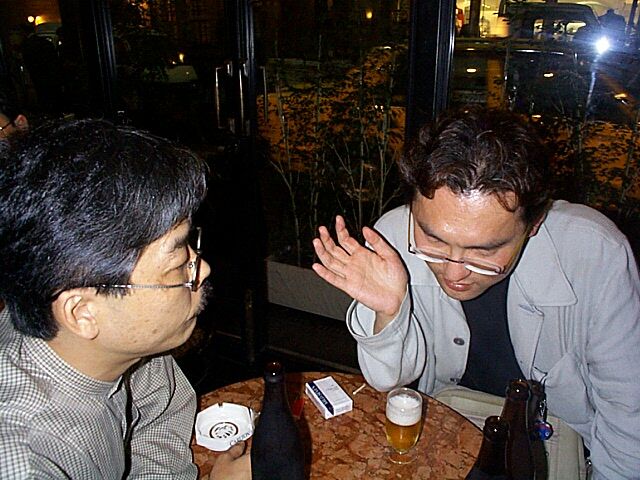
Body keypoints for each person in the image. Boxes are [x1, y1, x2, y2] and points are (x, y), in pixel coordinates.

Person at [312, 107, 640, 479]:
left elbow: (628, 414)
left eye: (484, 251)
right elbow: (389, 381)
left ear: (533, 223)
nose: (454, 273)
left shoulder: (595, 255)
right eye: (434, 240)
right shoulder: (393, 238)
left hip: (558, 446)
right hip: (448, 428)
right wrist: (390, 313)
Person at [0, 119, 250, 479]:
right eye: (177, 262)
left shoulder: (121, 343)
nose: (203, 268)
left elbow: (165, 411)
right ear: (82, 312)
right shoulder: (29, 459)